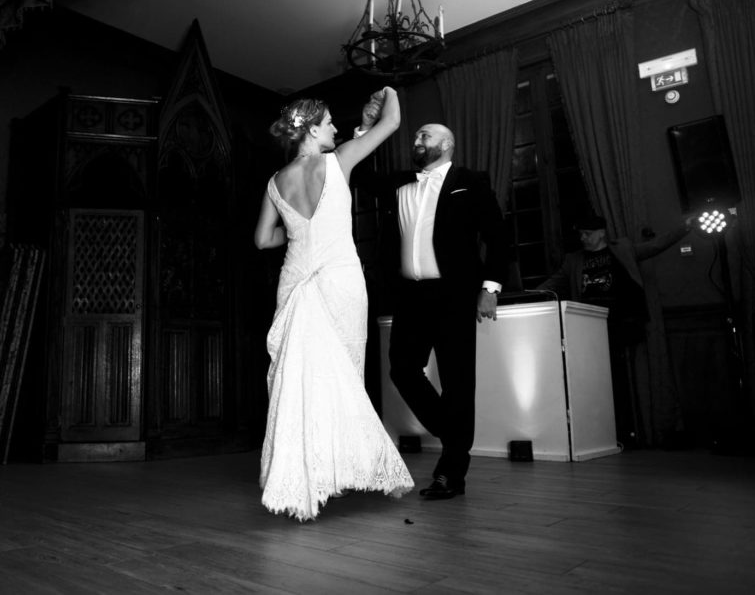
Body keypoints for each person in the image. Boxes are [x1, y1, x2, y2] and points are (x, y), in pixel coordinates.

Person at [254, 88, 414, 521]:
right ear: (311, 129)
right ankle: (335, 472)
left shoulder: (275, 181)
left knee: (298, 376)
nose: (336, 128)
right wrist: (389, 91)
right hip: (339, 278)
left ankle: (307, 471)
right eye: (329, 122)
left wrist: (300, 233)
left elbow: (262, 240)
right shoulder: (338, 160)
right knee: (343, 372)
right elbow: (393, 122)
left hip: (295, 279)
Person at [357, 122, 509, 501]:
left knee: (458, 381)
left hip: (455, 295)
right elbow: (357, 173)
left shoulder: (470, 181)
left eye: (425, 136)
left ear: (447, 144)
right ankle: (453, 431)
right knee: (402, 368)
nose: (417, 141)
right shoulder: (400, 182)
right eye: (415, 137)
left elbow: (498, 235)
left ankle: (451, 473)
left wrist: (490, 288)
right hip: (410, 295)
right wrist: (365, 132)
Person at [536, 211, 692, 449]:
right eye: (581, 234)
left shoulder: (624, 249)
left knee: (625, 380)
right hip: (589, 328)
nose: (583, 238)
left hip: (622, 324)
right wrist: (523, 295)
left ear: (601, 233)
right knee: (594, 381)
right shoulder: (574, 260)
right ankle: (602, 434)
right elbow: (554, 282)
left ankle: (629, 433)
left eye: (587, 234)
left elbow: (655, 246)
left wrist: (685, 228)